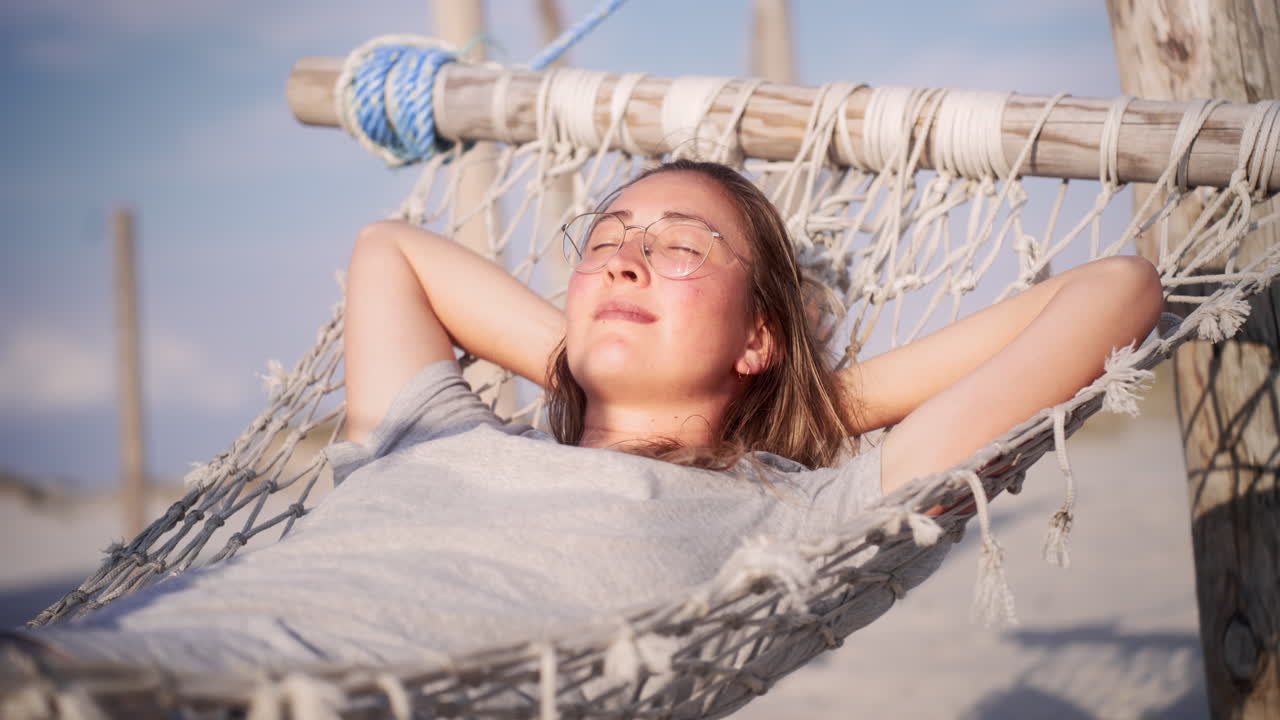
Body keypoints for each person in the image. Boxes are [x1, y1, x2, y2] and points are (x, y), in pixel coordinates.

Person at [8, 160, 1163, 675]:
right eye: (606, 240)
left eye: (679, 246)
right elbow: (391, 254)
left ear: (758, 334)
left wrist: (806, 406)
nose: (624, 255)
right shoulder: (437, 430)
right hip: (110, 662)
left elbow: (1112, 293)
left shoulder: (797, 516)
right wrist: (597, 359)